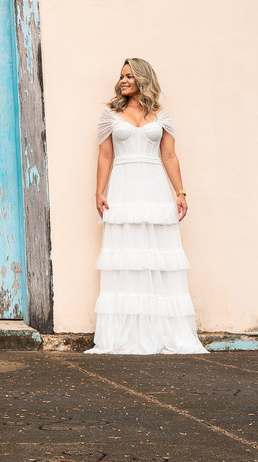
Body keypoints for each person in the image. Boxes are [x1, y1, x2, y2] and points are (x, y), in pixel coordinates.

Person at [86, 58, 206, 354]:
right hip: (123, 187)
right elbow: (105, 156)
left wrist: (180, 192)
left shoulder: (161, 115)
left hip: (154, 188)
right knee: (127, 255)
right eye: (121, 76)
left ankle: (163, 332)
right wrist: (99, 191)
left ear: (143, 79)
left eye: (129, 76)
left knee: (156, 256)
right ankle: (125, 335)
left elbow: (169, 156)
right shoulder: (110, 114)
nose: (123, 80)